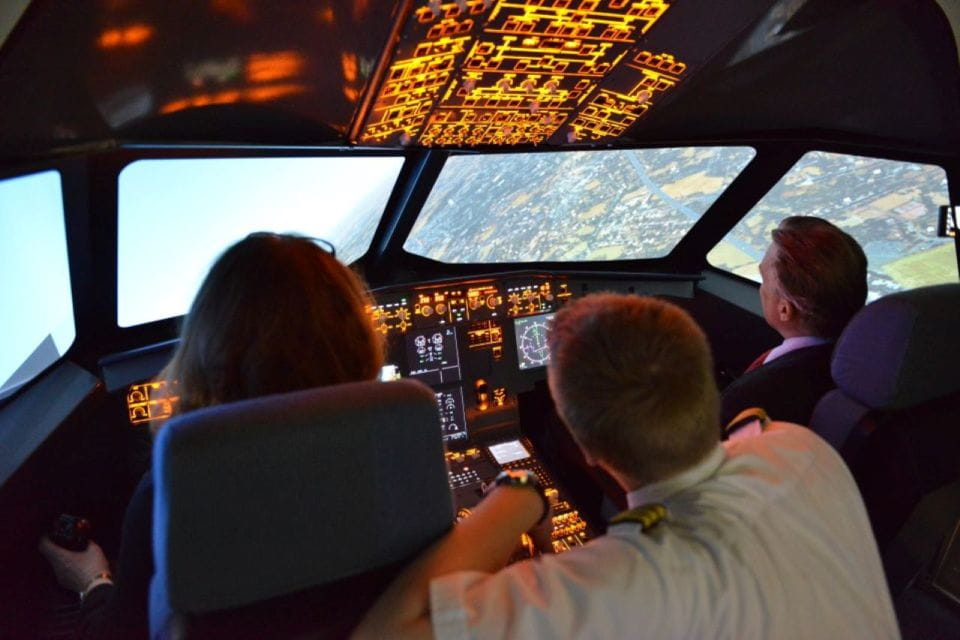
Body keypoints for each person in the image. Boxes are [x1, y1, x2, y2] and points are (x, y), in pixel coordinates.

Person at [354, 293, 898, 639]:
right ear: (708, 387)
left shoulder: (614, 591)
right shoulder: (801, 450)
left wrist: (520, 494)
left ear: (589, 451)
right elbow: (749, 433)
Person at [39, 232, 383, 639]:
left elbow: (122, 633)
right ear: (358, 339)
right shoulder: (394, 453)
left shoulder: (175, 491)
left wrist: (92, 581)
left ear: (210, 355)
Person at [721, 216, 867, 431]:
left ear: (784, 309)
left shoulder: (750, 403)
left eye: (764, 279)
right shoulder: (871, 360)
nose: (762, 290)